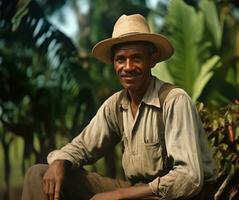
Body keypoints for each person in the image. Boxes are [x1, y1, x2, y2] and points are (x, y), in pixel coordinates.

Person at [22, 14, 217, 200]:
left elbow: (190, 177)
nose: (128, 67)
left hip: (173, 195)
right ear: (114, 63)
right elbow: (82, 146)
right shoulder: (116, 105)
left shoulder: (174, 100)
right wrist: (59, 162)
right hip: (137, 191)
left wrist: (120, 195)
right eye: (121, 59)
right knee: (39, 174)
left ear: (152, 59)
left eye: (137, 58)